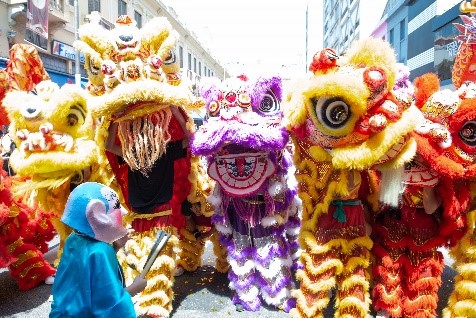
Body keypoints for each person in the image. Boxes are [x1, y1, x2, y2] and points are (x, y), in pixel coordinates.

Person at [50, 182, 147, 317]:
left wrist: (116, 246)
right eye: (115, 210)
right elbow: (108, 304)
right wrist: (135, 288)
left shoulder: (73, 239)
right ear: (97, 215)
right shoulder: (101, 250)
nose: (121, 214)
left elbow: (88, 274)